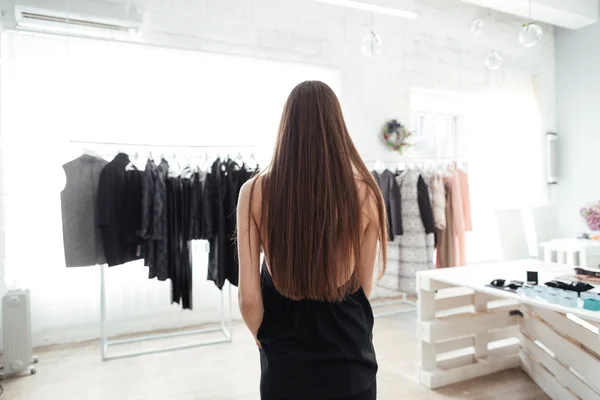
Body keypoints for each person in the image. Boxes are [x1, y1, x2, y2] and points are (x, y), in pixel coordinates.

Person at [236, 80, 388, 400]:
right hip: (349, 357)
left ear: (286, 127)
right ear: (337, 127)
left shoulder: (253, 193)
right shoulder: (366, 192)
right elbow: (363, 286)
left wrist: (262, 338)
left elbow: (248, 299)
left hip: (285, 360)